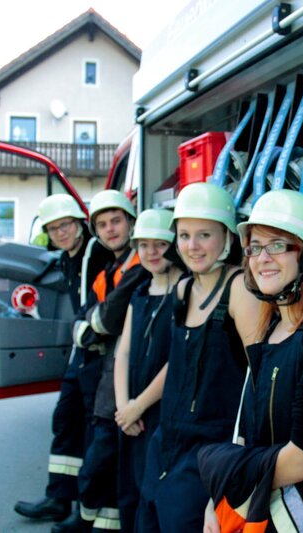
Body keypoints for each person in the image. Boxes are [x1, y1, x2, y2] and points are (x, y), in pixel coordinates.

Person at [198, 189, 303, 532]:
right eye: (255, 247)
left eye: (277, 245)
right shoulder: (269, 329)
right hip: (264, 512)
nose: (262, 258)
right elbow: (247, 429)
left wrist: (227, 481)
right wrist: (217, 500)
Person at [136, 182, 261, 531]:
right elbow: (177, 365)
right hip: (165, 442)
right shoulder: (181, 290)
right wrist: (136, 405)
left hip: (210, 451)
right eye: (184, 235)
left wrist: (233, 468)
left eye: (204, 234)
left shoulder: (239, 291)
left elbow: (260, 381)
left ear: (227, 237)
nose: (193, 246)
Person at [14, 194, 110, 524]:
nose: (61, 233)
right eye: (53, 229)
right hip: (80, 350)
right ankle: (58, 498)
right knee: (66, 419)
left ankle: (82, 506)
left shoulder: (95, 252)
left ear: (80, 223)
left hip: (97, 352)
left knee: (87, 428)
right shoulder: (67, 257)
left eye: (66, 225)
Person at [58, 189, 150, 533]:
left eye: (116, 221)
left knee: (104, 455)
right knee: (105, 455)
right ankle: (97, 521)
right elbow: (84, 318)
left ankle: (91, 521)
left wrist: (90, 326)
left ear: (131, 222)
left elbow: (106, 320)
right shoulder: (109, 271)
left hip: (127, 373)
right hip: (108, 373)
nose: (111, 229)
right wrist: (89, 325)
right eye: (103, 224)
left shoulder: (141, 265)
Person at [113, 208, 186, 533]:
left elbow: (177, 360)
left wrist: (138, 405)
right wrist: (123, 408)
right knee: (129, 492)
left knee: (152, 494)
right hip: (131, 416)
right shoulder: (139, 294)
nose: (151, 252)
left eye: (159, 244)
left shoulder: (185, 292)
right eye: (144, 245)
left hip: (158, 414)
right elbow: (123, 351)